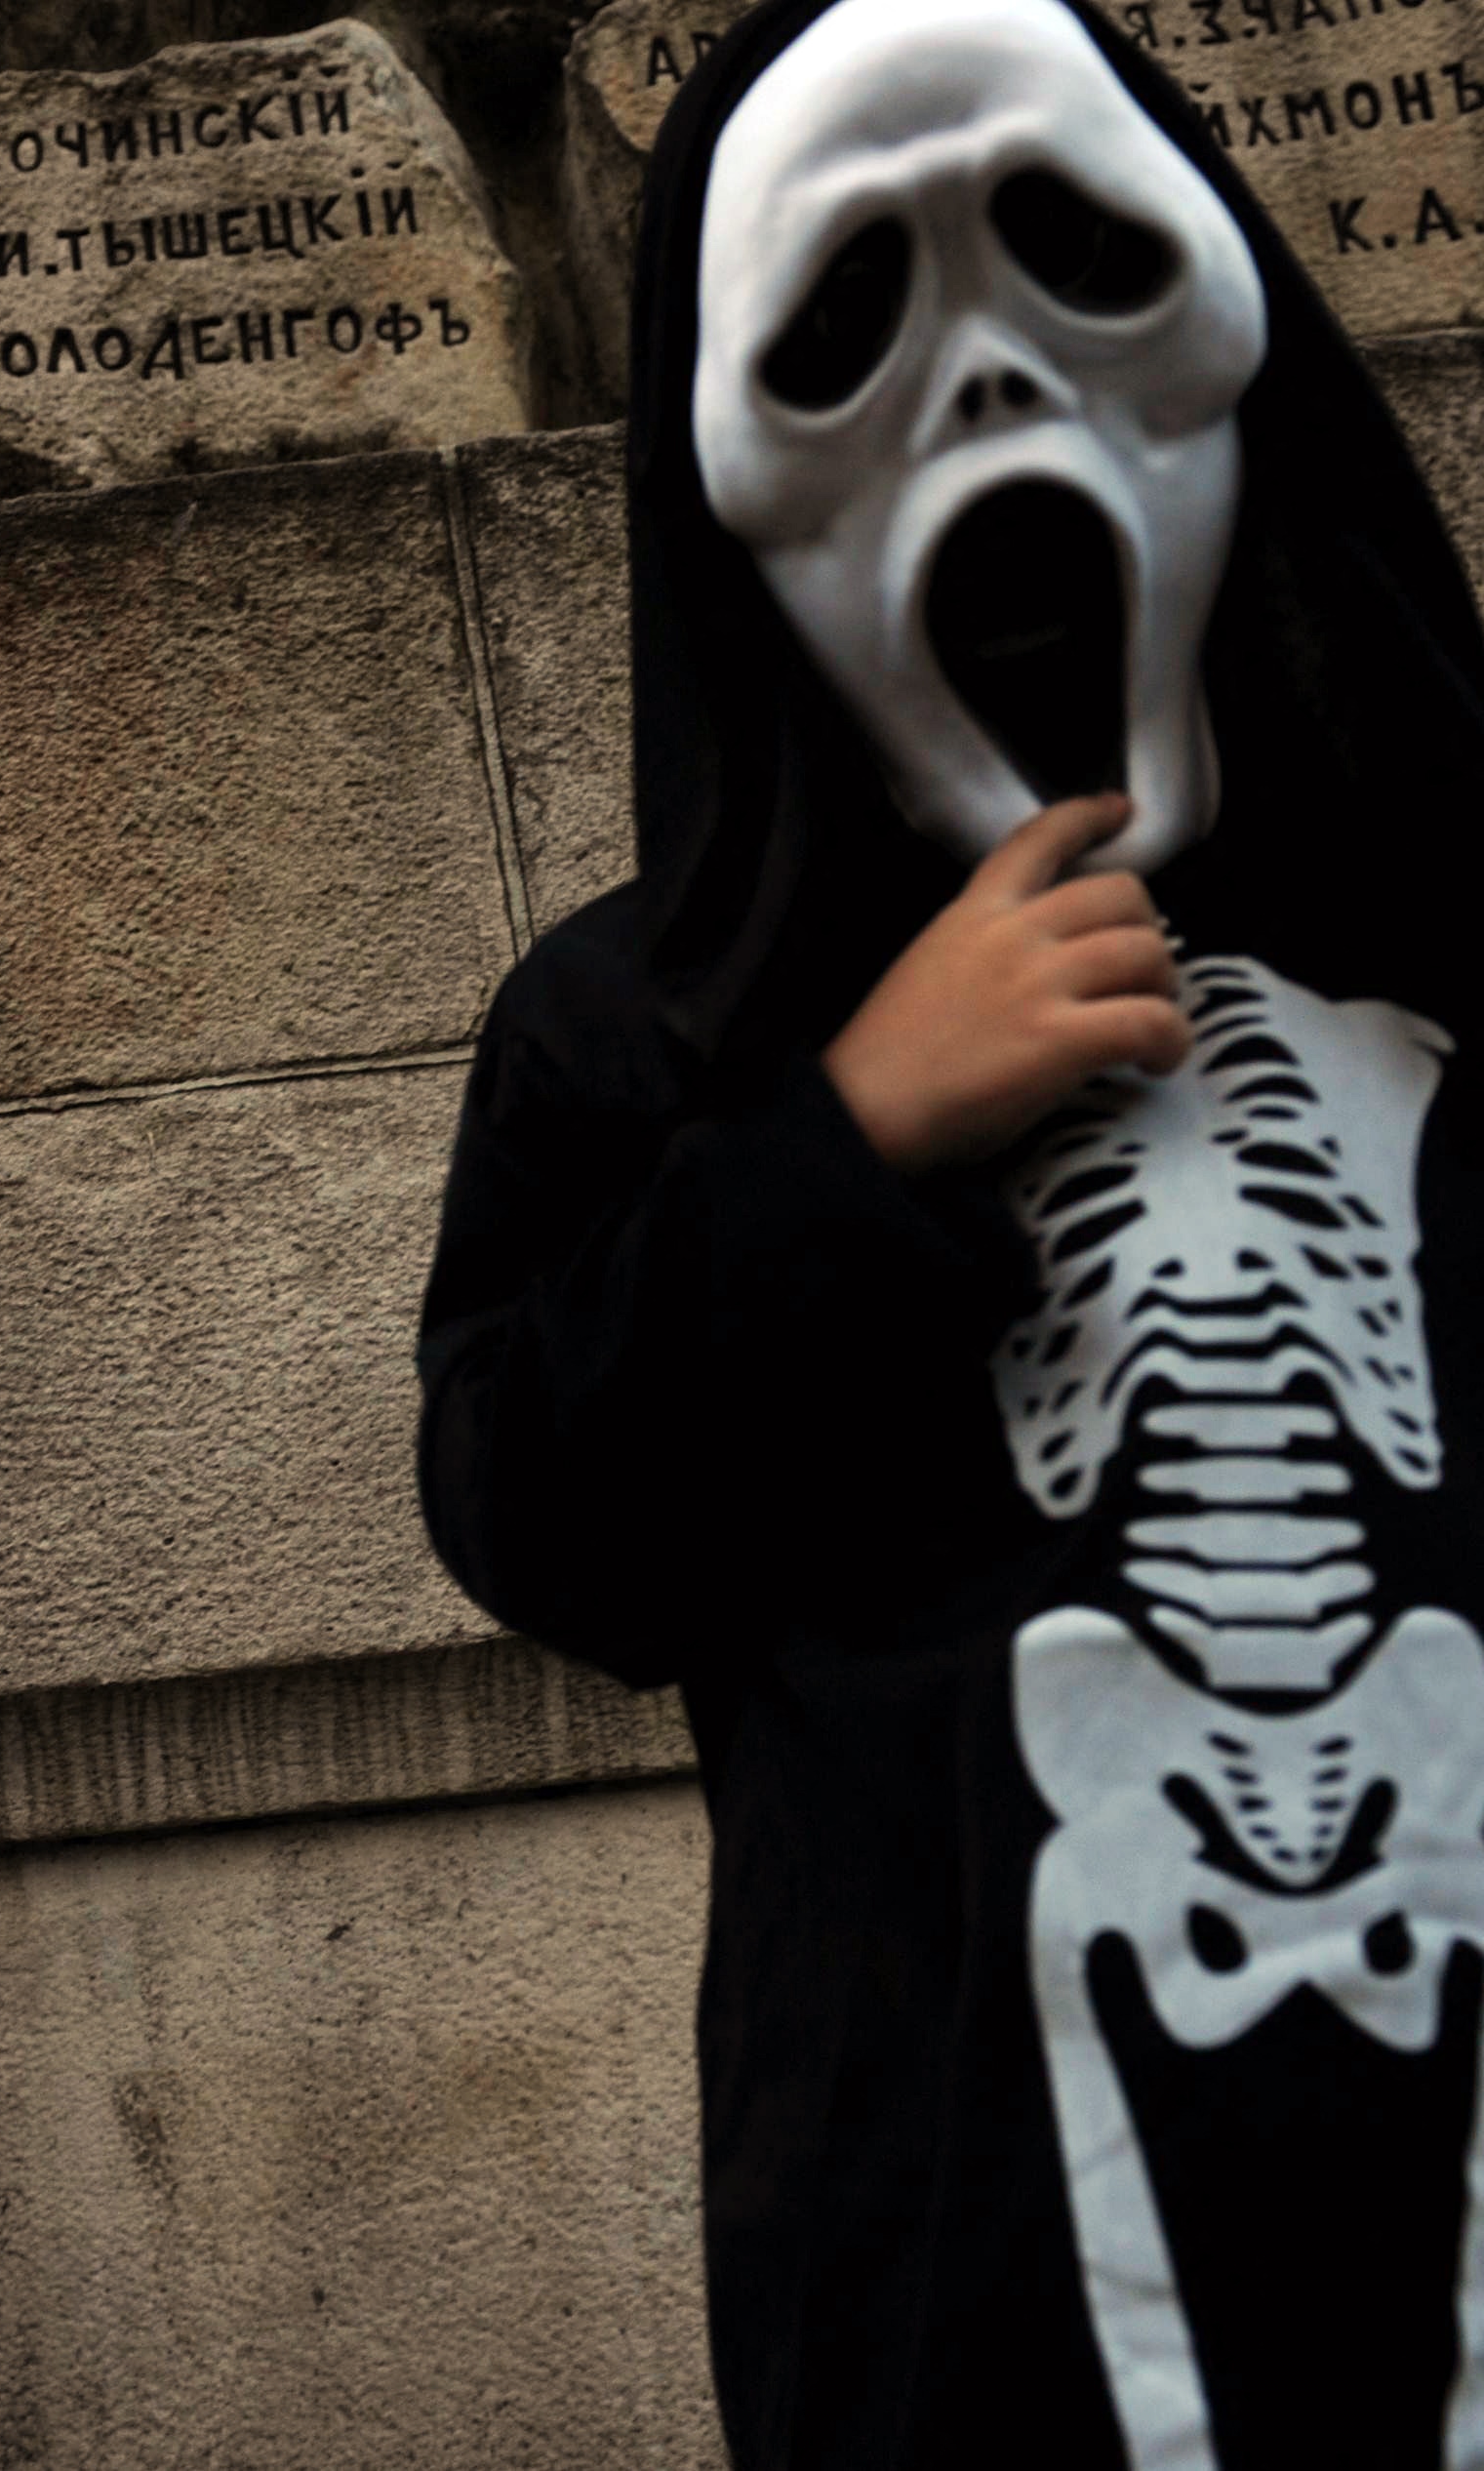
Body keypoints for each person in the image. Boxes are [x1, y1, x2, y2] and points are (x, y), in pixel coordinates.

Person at [416, 0, 1484, 2463]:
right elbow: (536, 1513)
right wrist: (844, 1130)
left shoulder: (1441, 934)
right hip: (953, 2285)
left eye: (1075, 258)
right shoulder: (649, 1030)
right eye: (845, 323)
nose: (990, 388)